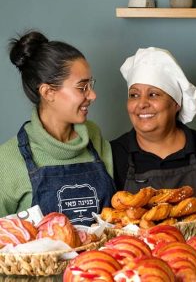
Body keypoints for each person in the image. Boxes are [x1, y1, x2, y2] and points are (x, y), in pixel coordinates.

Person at [0, 31, 116, 225]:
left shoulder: (96, 140)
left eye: (91, 85)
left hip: (102, 255)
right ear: (48, 92)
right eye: (82, 87)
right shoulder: (8, 160)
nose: (93, 95)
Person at [111, 47, 196, 217]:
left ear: (176, 103)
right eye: (134, 95)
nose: (141, 103)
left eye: (153, 94)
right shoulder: (114, 154)